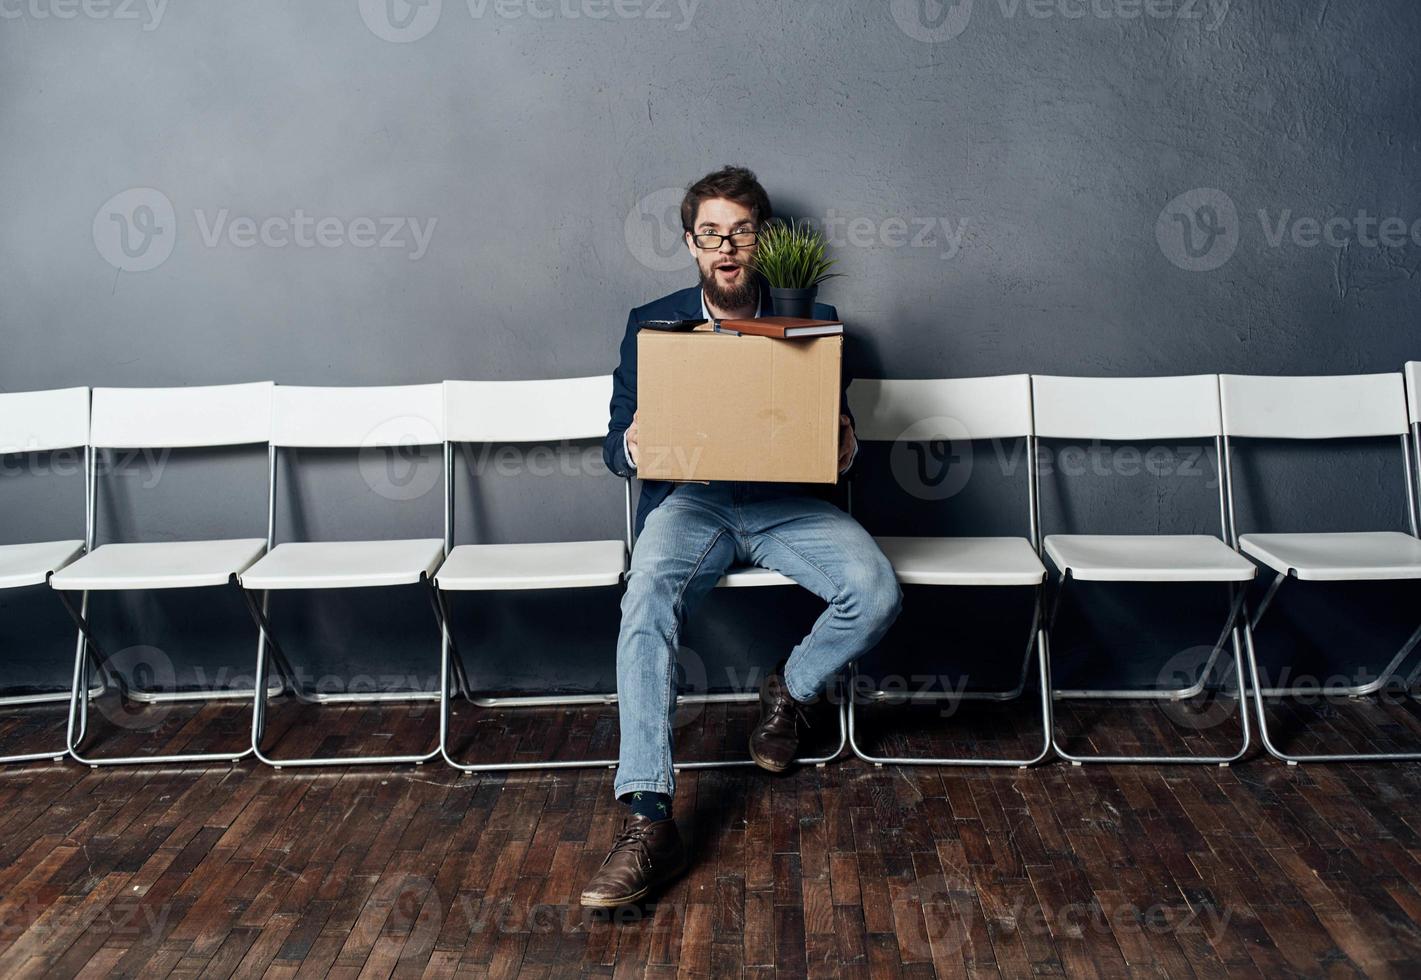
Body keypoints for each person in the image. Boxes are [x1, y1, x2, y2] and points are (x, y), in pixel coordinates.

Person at [580, 166, 902, 908]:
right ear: (691, 245)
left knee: (875, 591)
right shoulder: (651, 322)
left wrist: (844, 446)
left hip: (786, 503)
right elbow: (610, 447)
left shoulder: (811, 316)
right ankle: (648, 817)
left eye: (741, 231)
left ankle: (789, 691)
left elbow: (834, 433)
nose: (726, 246)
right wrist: (635, 443)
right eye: (709, 234)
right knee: (645, 600)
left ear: (762, 239)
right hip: (693, 502)